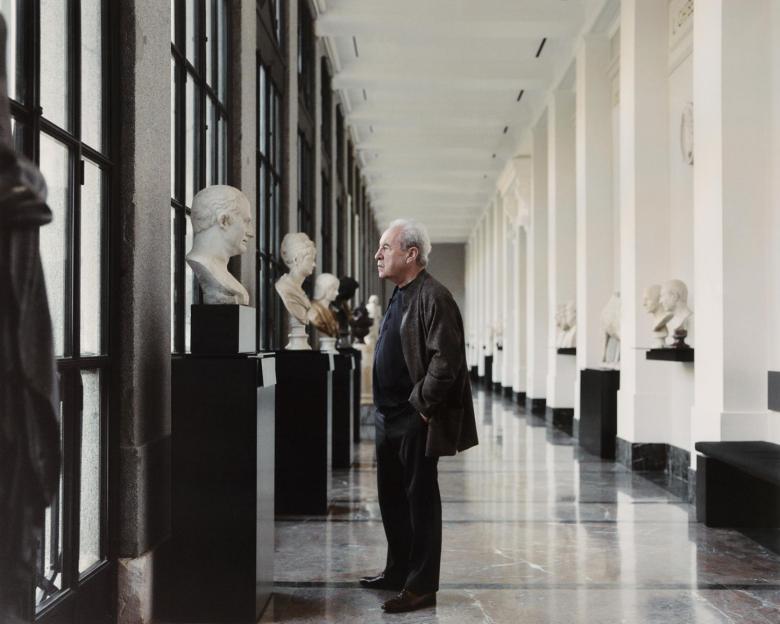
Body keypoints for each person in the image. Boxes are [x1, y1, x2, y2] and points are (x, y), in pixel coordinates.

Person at [360, 219, 478, 614]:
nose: (378, 254)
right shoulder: (400, 293)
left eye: (385, 247)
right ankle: (398, 570)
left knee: (420, 501)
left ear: (411, 254)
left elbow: (448, 360)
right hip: (388, 416)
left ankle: (422, 585)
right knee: (392, 499)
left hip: (413, 416)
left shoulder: (434, 296)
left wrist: (422, 405)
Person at [186, 185, 253, 305]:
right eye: (246, 222)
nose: (251, 233)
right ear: (224, 220)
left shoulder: (223, 275)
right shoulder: (205, 267)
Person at [307, 273, 340, 337]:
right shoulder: (313, 311)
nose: (337, 293)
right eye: (334, 289)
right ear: (324, 289)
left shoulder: (330, 310)